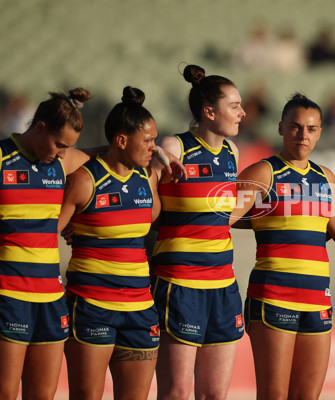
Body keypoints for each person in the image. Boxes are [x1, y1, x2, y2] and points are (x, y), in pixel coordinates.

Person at [231, 93, 335, 400]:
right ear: (281, 128)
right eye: (295, 126)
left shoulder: (326, 179)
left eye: (311, 128)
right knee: (274, 394)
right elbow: (219, 219)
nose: (303, 135)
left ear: (320, 132)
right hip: (273, 297)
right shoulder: (262, 173)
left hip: (317, 300)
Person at [58, 86, 161, 400]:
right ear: (121, 140)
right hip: (92, 307)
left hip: (140, 309)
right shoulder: (84, 180)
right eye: (148, 141)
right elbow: (47, 237)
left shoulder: (149, 178)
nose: (154, 148)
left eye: (155, 140)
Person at [150, 64, 246, 400]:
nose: (242, 113)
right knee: (176, 392)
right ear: (209, 112)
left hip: (223, 285)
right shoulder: (175, 146)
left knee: (215, 394)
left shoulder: (232, 153)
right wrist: (159, 157)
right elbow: (150, 160)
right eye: (234, 106)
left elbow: (224, 213)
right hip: (180, 284)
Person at [0, 87, 93, 400]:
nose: (63, 153)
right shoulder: (2, 158)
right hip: (8, 294)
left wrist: (160, 154)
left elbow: (111, 157)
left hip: (51, 298)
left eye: (69, 147)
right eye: (59, 144)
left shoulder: (61, 163)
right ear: (39, 127)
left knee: (43, 395)